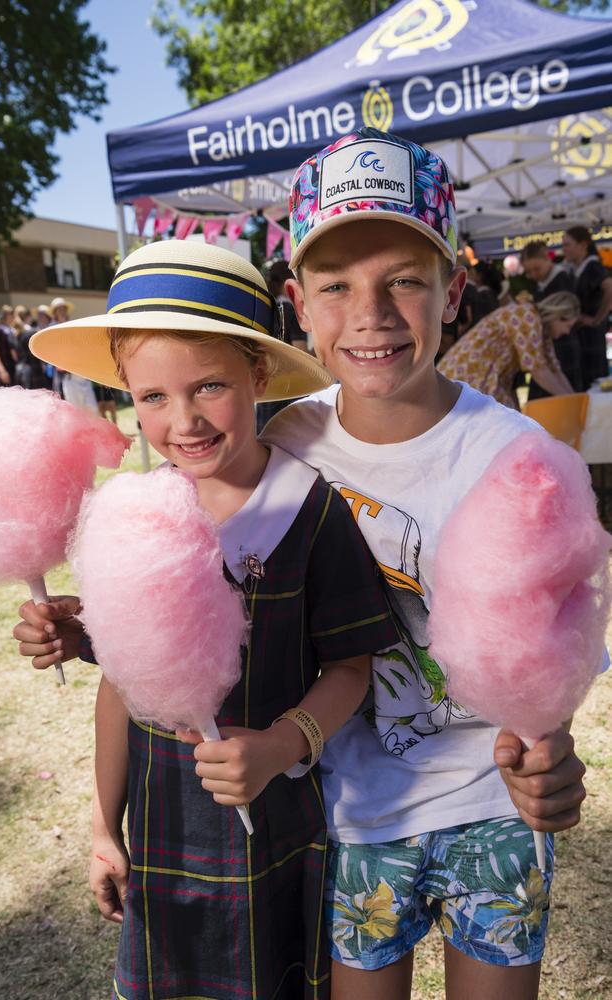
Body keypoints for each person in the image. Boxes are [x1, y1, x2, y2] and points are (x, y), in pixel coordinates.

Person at [12, 239, 400, 1000]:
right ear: (127, 393)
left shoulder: (309, 508)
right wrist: (102, 827)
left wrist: (283, 743)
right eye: (152, 398)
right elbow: (123, 689)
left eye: (210, 386)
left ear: (260, 374)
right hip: (163, 831)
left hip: (278, 822)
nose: (183, 421)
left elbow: (352, 668)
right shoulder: (135, 515)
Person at [262, 128, 589, 1000]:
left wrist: (552, 752)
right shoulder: (283, 445)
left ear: (454, 290)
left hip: (495, 810)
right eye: (336, 286)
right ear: (298, 300)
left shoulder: (519, 454)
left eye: (405, 279)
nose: (370, 313)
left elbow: (565, 632)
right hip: (355, 812)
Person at [438, 293, 579, 409]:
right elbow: (538, 371)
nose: (567, 332)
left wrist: (576, 398)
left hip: (480, 377)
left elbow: (554, 369)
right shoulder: (526, 315)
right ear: (558, 315)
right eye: (568, 326)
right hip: (470, 375)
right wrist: (574, 401)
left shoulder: (540, 328)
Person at [255, 258, 310, 432]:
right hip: (291, 384)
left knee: (266, 437)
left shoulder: (264, 308)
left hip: (266, 381)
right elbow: (300, 351)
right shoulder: (290, 310)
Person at [521, 241, 580, 397]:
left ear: (548, 259)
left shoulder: (562, 281)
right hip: (549, 354)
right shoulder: (543, 284)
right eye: (529, 271)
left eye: (537, 269)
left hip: (563, 350)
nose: (534, 275)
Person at [562, 226, 612, 388]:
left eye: (567, 245)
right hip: (581, 339)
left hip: (591, 340)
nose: (564, 250)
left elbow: (610, 288)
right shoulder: (574, 268)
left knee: (592, 383)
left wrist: (596, 320)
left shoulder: (592, 267)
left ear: (583, 245)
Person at [49, 296, 99, 410]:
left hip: (81, 372)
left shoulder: (72, 325)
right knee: (76, 409)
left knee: (92, 408)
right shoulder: (51, 330)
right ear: (55, 312)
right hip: (68, 375)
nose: (62, 311)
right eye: (59, 309)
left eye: (63, 309)